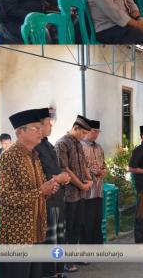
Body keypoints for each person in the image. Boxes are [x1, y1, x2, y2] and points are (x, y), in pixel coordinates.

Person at [0, 108, 60, 278]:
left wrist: (49, 189)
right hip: (18, 233)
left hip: (37, 229)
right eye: (35, 129)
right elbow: (4, 196)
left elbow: (40, 190)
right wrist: (40, 191)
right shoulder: (8, 157)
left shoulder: (35, 155)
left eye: (40, 128)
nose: (40, 132)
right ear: (19, 132)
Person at [34, 108, 70, 278]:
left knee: (59, 236)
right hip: (47, 199)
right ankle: (50, 273)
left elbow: (55, 169)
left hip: (58, 197)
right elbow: (40, 175)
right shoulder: (35, 148)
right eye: (48, 124)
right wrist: (58, 178)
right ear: (39, 126)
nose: (51, 127)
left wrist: (63, 177)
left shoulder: (48, 145)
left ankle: (58, 270)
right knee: (50, 238)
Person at [54, 115, 93, 274]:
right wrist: (82, 185)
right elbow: (65, 169)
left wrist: (89, 179)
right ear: (75, 128)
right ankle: (65, 261)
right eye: (83, 133)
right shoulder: (62, 143)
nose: (84, 136)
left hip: (80, 193)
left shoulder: (78, 143)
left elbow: (83, 164)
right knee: (68, 227)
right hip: (68, 194)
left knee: (77, 225)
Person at [81, 119, 107, 244]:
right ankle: (87, 248)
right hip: (87, 192)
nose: (96, 134)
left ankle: (98, 246)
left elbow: (104, 164)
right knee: (87, 221)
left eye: (98, 132)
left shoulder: (99, 147)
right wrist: (95, 171)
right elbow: (80, 166)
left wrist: (104, 170)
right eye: (94, 131)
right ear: (87, 131)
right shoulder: (80, 146)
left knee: (98, 220)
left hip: (98, 190)